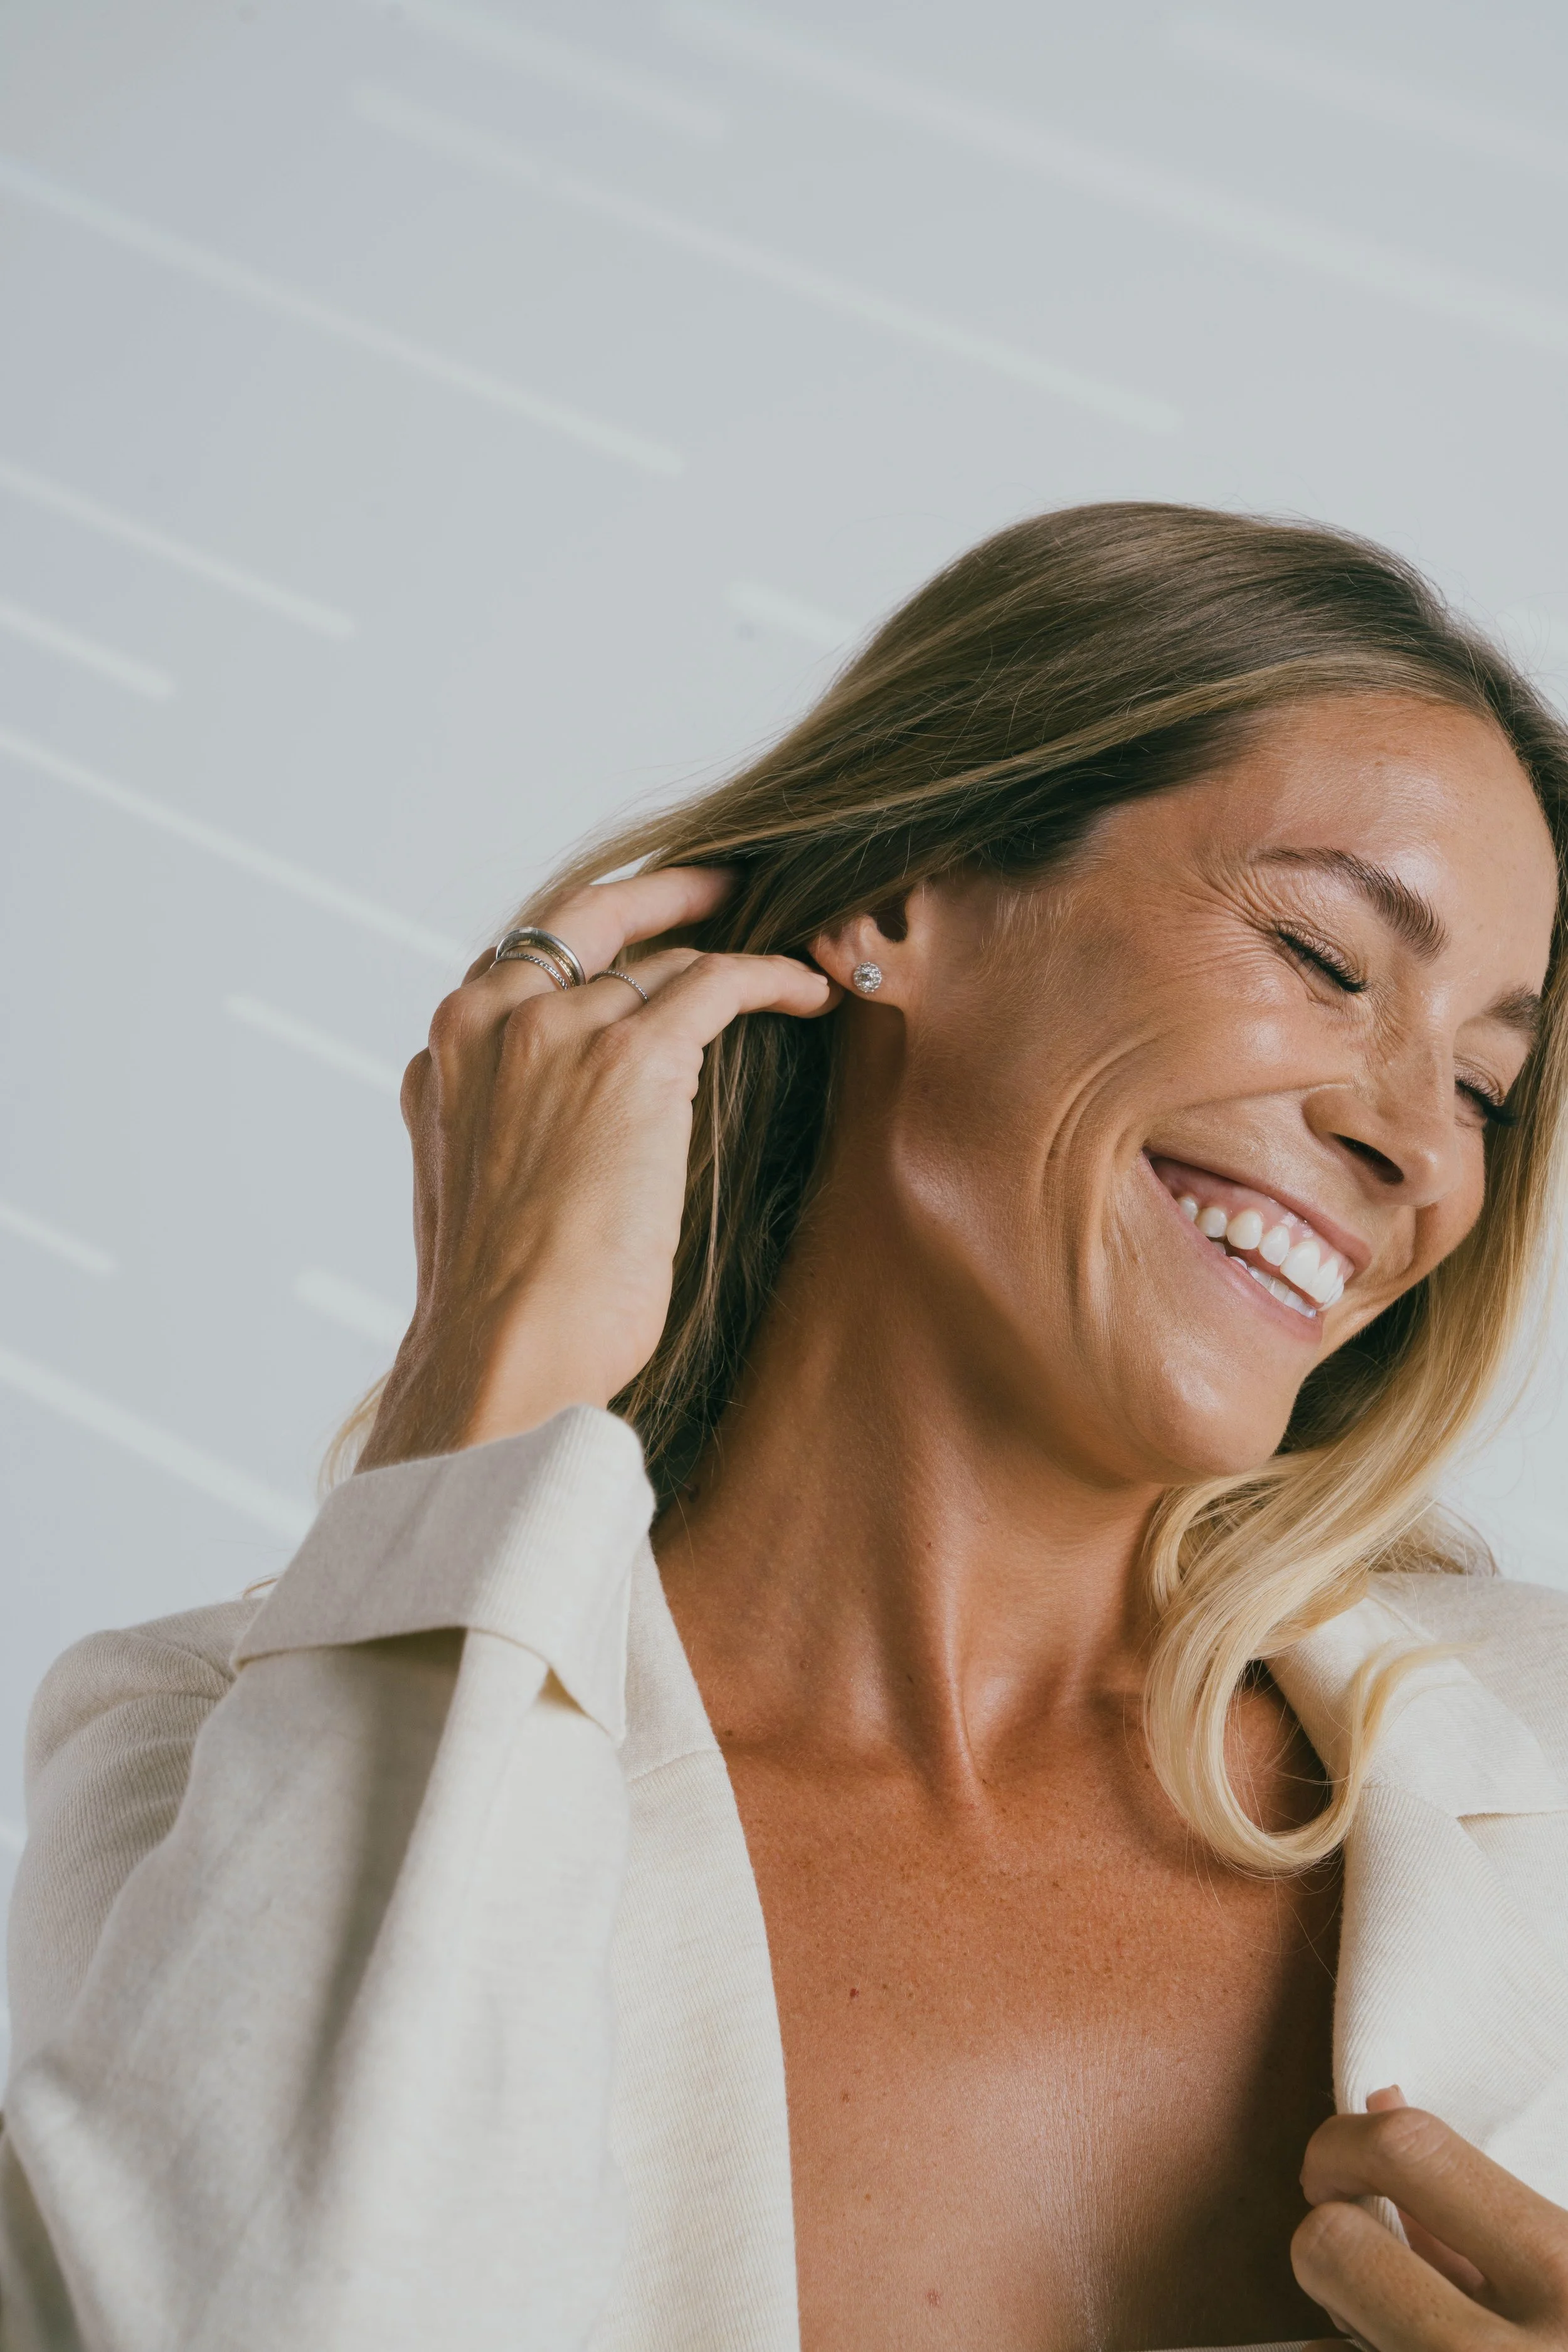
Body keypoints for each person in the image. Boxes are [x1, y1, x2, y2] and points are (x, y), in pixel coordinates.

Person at [3, 504, 1568, 2352]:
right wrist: (489, 1379)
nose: (1416, 1139)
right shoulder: (203, 1766)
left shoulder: (1529, 1770)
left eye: (1486, 1079)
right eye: (1319, 953)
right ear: (896, 900)